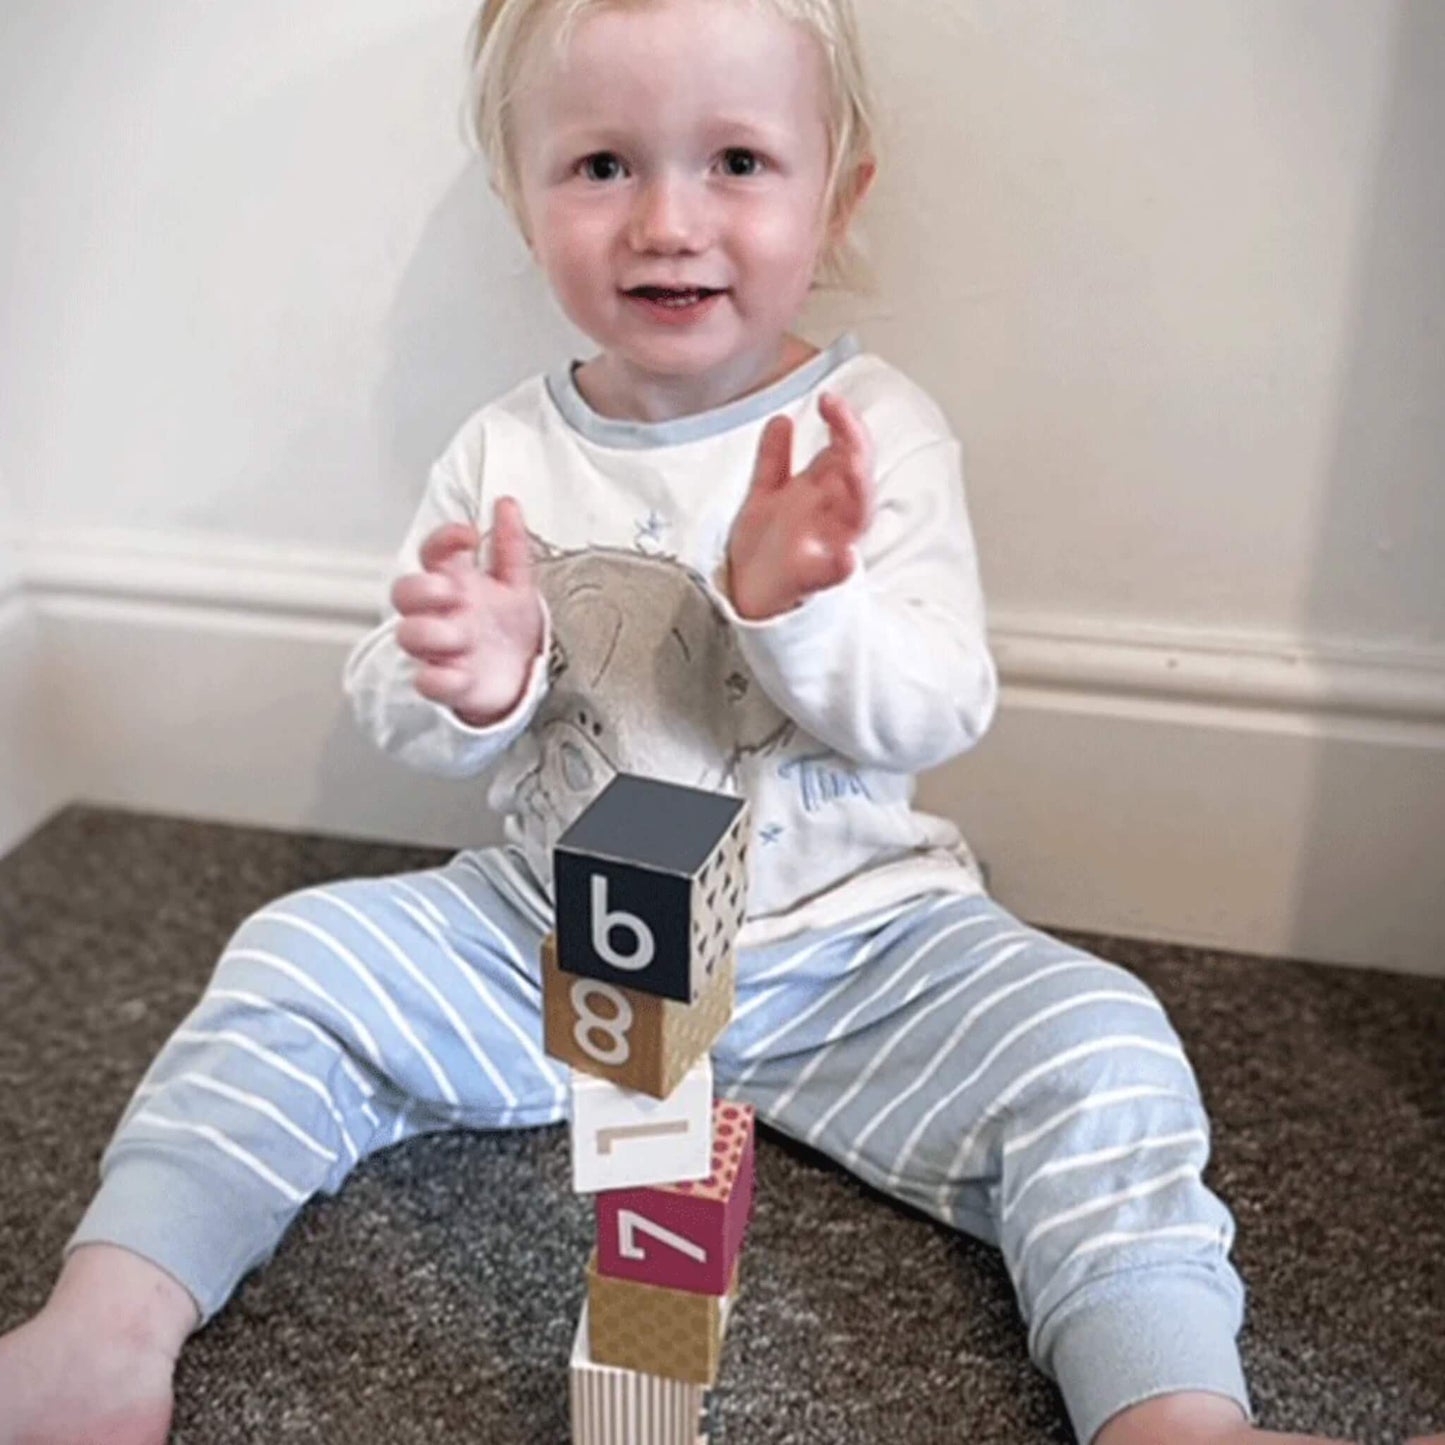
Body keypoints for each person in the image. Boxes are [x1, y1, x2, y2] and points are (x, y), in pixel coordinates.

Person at [1, 3, 1437, 1443]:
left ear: (836, 190)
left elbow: (942, 698)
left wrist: (794, 605)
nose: (667, 222)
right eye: (602, 166)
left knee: (1100, 1036)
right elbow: (397, 692)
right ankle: (108, 1321)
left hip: (858, 949)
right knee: (295, 953)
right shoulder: (504, 451)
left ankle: (1172, 1411)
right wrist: (478, 674)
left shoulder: (869, 431)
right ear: (518, 190)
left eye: (738, 160)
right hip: (557, 938)